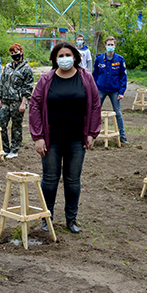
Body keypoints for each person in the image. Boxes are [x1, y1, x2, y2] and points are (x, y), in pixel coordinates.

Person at [29, 42, 101, 234]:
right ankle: (47, 218)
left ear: (76, 57)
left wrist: (92, 133)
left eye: (68, 54)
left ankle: (71, 219)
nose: (64, 58)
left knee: (72, 180)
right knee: (50, 179)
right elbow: (35, 106)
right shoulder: (46, 79)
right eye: (60, 56)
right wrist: (38, 137)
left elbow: (95, 105)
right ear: (54, 59)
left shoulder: (86, 78)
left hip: (77, 139)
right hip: (51, 139)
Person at [0, 43, 34, 158]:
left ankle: (14, 149)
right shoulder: (7, 67)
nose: (14, 55)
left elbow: (27, 87)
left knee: (16, 126)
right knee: (0, 124)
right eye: (12, 53)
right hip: (5, 100)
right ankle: (4, 148)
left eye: (16, 52)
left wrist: (23, 103)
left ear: (21, 52)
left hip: (17, 101)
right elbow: (2, 83)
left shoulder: (27, 68)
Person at [92, 35, 128, 144]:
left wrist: (121, 92)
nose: (110, 47)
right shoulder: (99, 59)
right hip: (101, 89)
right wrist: (94, 89)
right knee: (95, 112)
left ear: (115, 46)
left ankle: (122, 136)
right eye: (108, 45)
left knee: (118, 113)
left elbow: (123, 77)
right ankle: (91, 134)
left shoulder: (120, 59)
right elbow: (95, 75)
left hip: (115, 91)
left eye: (112, 45)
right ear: (105, 46)